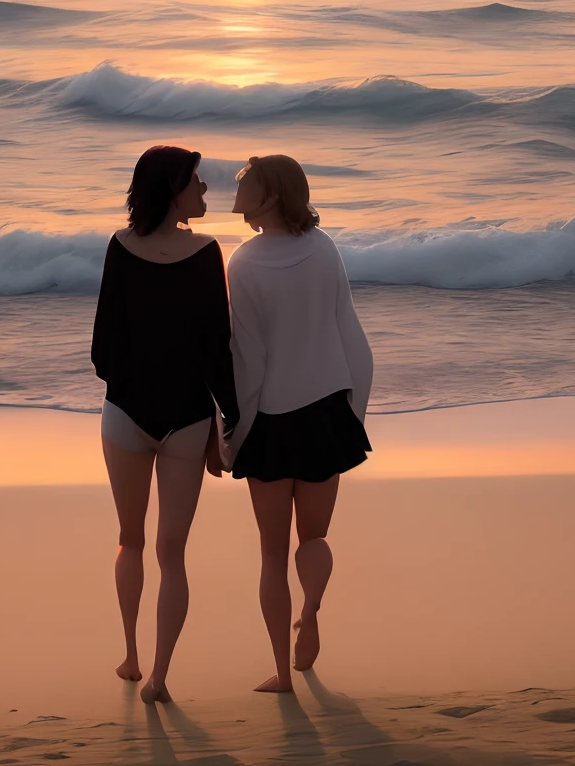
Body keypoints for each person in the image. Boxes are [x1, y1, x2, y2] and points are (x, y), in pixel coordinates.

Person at [89, 145, 237, 705]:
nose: (203, 191)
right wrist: (229, 420)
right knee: (172, 553)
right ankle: (158, 677)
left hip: (125, 415)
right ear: (171, 189)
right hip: (189, 420)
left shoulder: (120, 248)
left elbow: (104, 347)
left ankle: (129, 653)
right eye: (195, 182)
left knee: (130, 539)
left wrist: (131, 388)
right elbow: (216, 351)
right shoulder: (207, 253)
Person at [225, 154, 373, 694]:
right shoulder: (324, 248)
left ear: (269, 195)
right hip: (327, 410)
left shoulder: (241, 265)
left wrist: (233, 434)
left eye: (245, 184)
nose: (235, 192)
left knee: (271, 552)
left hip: (269, 422)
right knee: (314, 537)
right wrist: (354, 409)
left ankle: (283, 674)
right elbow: (349, 331)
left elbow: (250, 361)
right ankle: (311, 609)